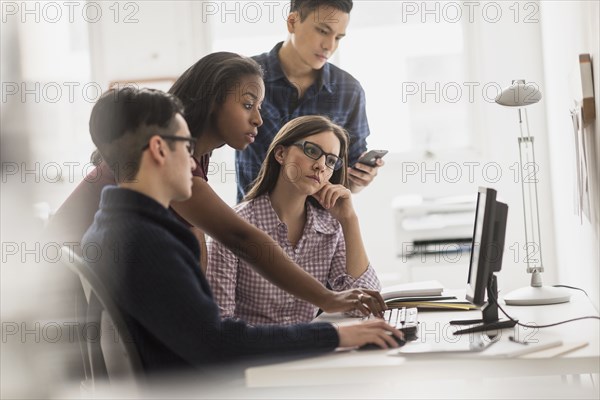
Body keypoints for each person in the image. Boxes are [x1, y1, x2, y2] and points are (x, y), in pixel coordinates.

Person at [81, 87, 403, 372]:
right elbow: (218, 343)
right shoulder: (148, 241)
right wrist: (335, 334)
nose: (195, 163)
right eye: (188, 145)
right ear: (160, 149)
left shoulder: (117, 226)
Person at [46, 52, 385, 316]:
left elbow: (195, 240)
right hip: (60, 294)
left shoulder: (194, 156)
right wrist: (328, 297)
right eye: (248, 104)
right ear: (212, 100)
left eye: (260, 107)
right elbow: (240, 237)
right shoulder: (170, 158)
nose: (259, 119)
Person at [207, 115, 380, 325]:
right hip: (256, 354)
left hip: (310, 351)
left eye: (331, 160)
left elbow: (361, 306)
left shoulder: (330, 227)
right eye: (312, 151)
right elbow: (219, 324)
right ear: (281, 153)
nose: (321, 166)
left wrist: (349, 220)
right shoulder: (233, 227)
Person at [235, 0, 383, 202]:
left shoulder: (349, 91)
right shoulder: (245, 76)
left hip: (320, 227)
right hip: (251, 223)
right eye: (322, 31)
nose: (329, 46)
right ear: (293, 21)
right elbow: (204, 147)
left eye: (338, 37)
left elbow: (348, 179)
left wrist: (360, 179)